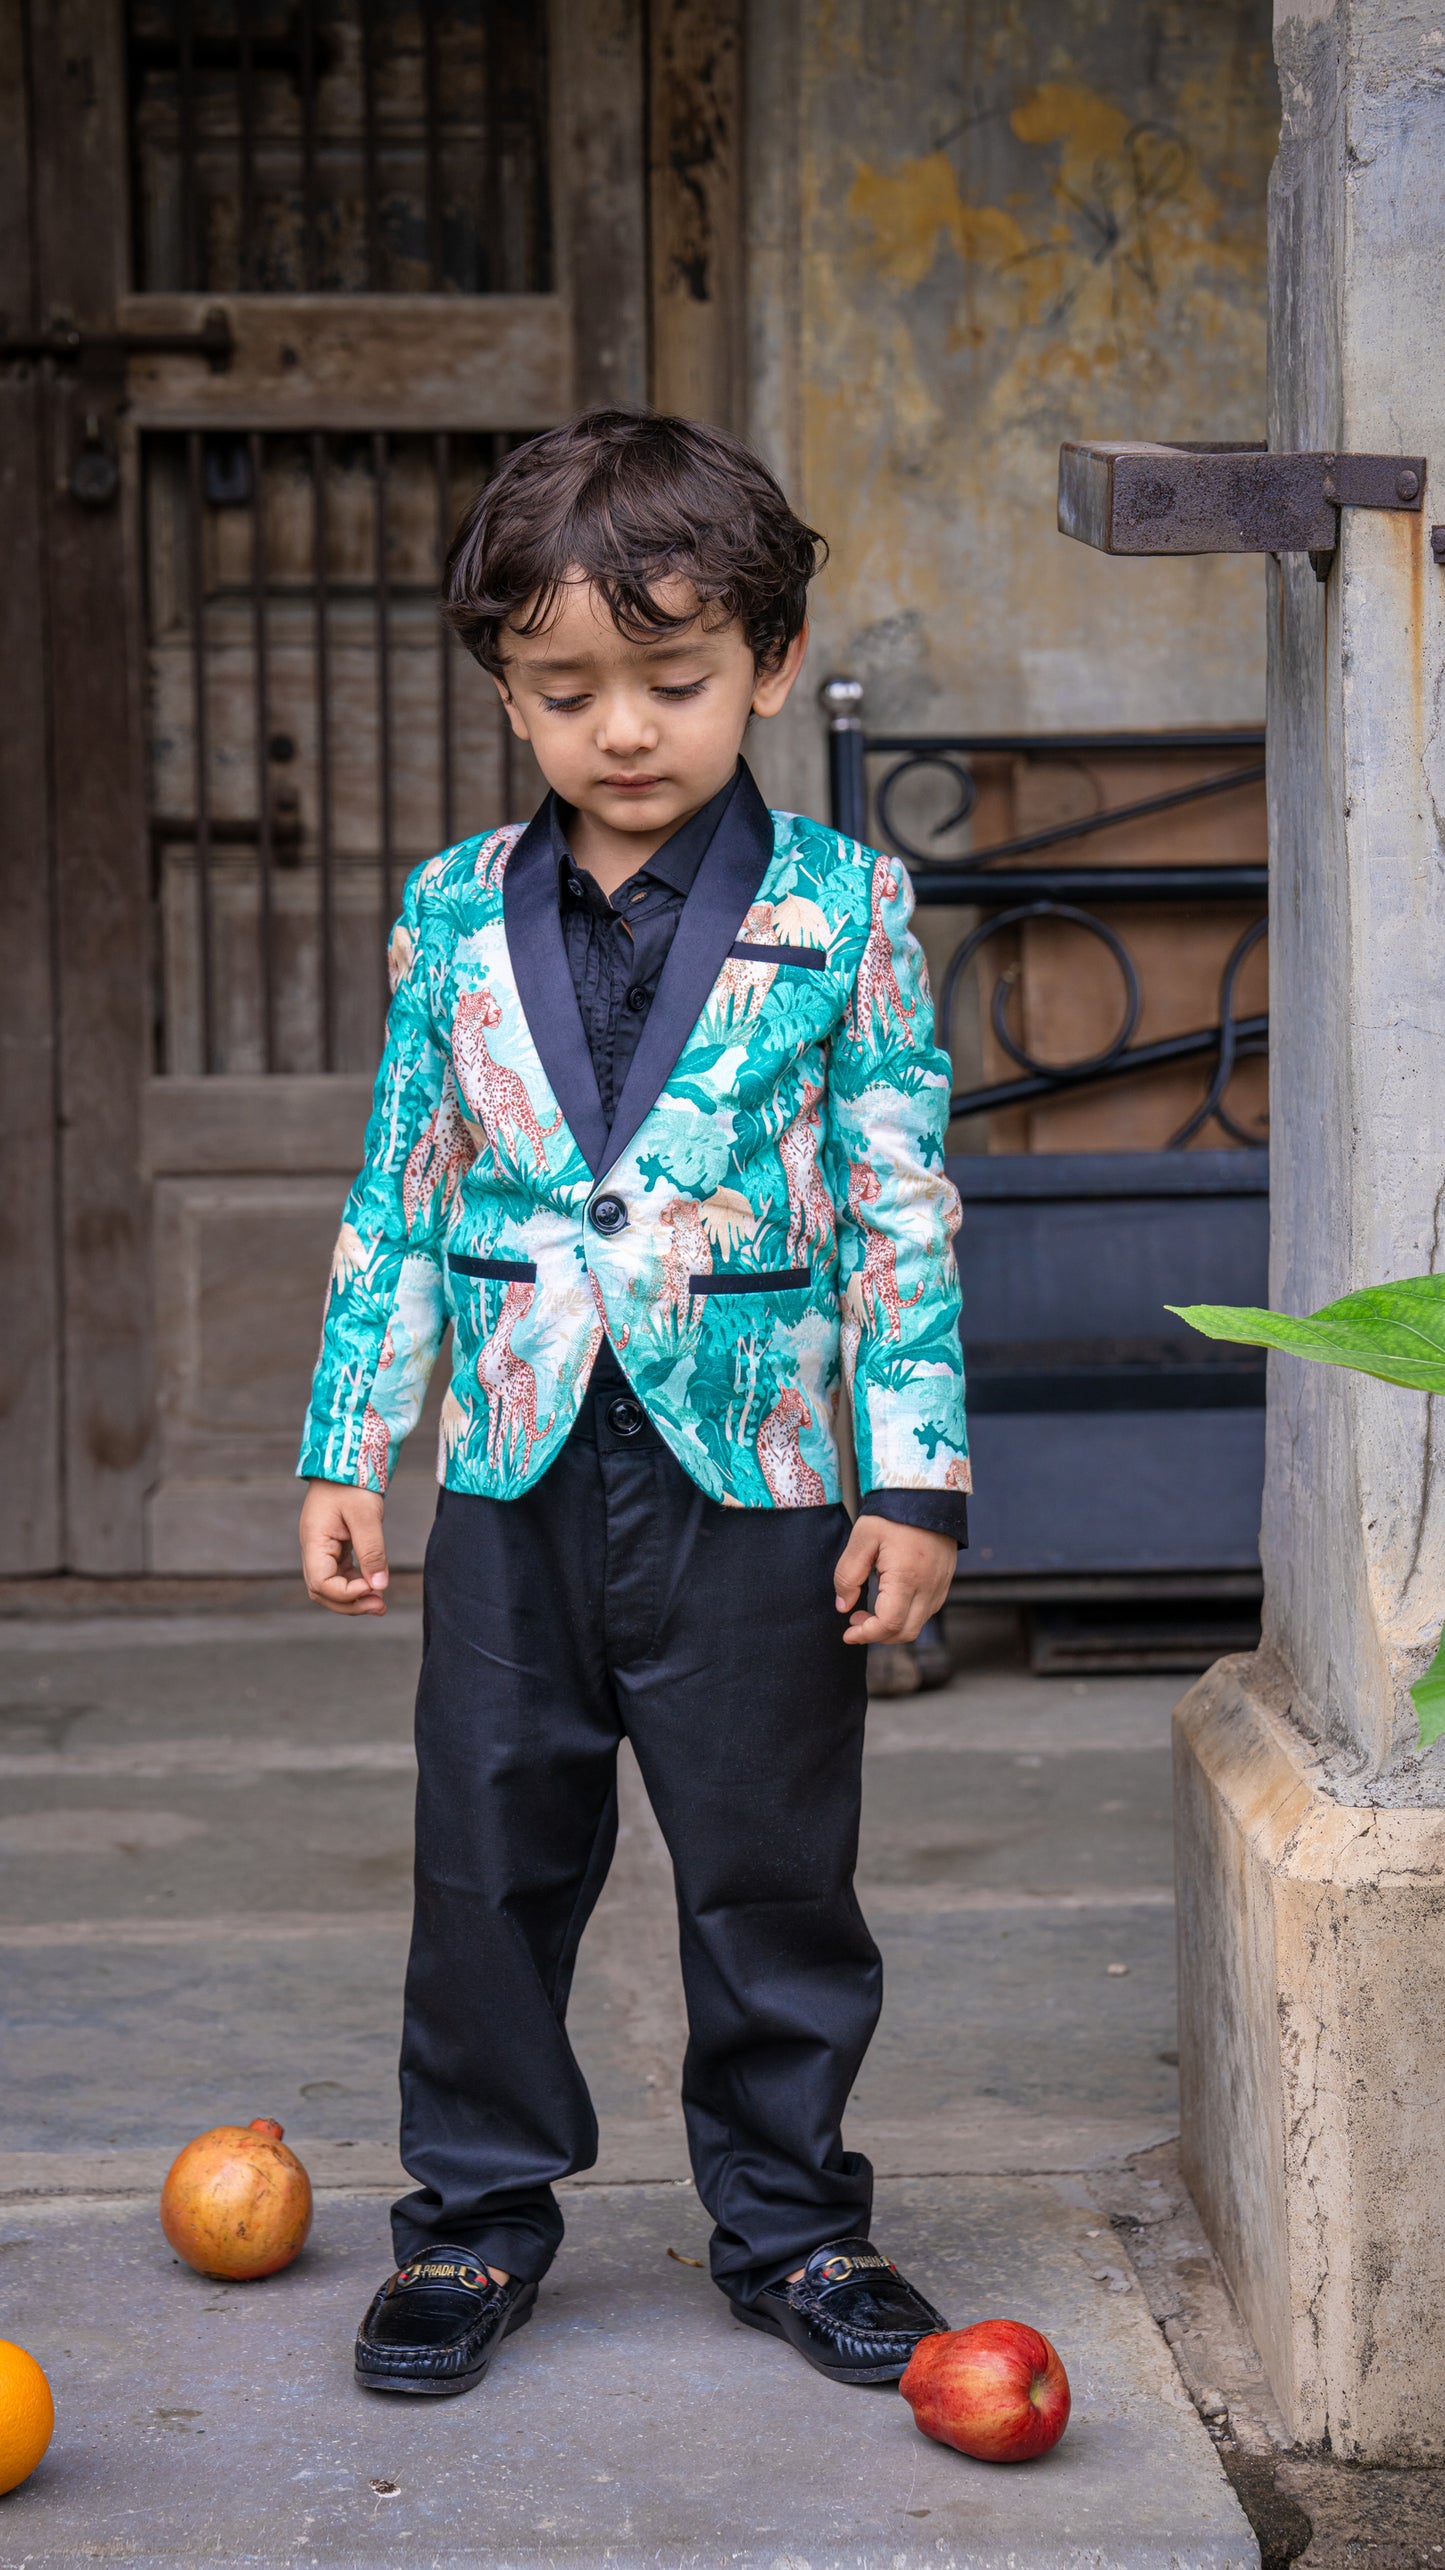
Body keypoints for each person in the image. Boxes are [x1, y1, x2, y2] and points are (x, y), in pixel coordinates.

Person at [297, 409, 970, 2399]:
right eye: (566, 689)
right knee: (488, 1849)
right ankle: (476, 2221)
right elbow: (399, 1186)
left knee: (770, 1856)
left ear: (765, 659)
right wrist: (351, 1440)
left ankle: (794, 2220)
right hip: (510, 1465)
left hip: (757, 1467)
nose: (623, 731)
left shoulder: (847, 912)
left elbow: (901, 1197)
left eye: (672, 682)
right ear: (508, 686)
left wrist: (913, 1476)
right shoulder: (445, 913)